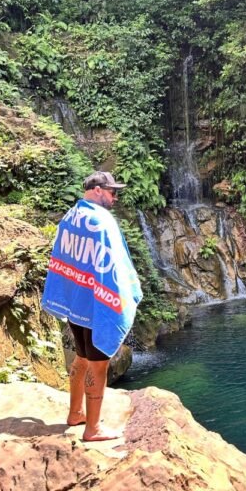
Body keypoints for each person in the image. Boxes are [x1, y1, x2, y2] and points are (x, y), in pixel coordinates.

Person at [42, 171, 142, 441]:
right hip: (98, 304)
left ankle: (76, 413)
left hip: (77, 301)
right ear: (97, 190)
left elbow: (64, 259)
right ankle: (93, 429)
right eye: (112, 192)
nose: (115, 197)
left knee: (82, 358)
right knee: (98, 366)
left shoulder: (70, 216)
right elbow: (114, 266)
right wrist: (124, 296)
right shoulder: (101, 221)